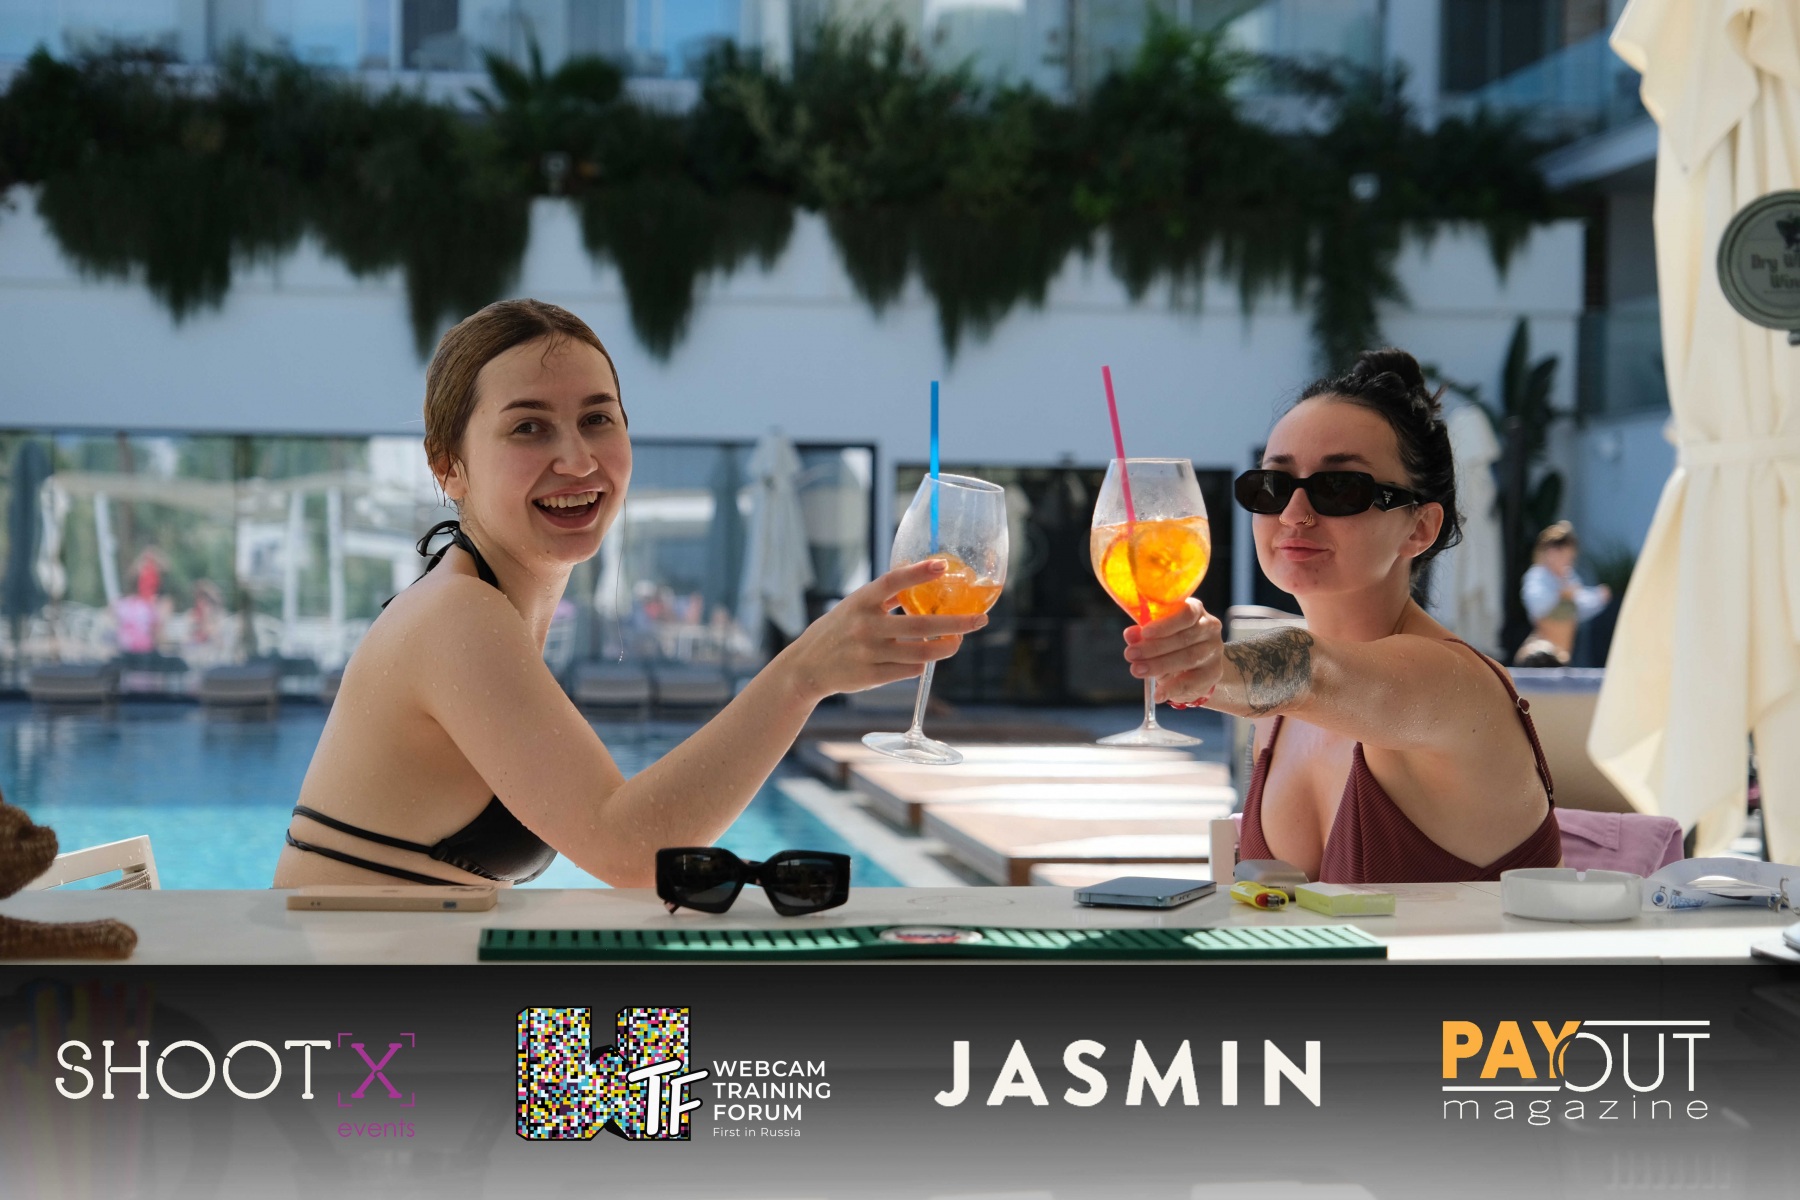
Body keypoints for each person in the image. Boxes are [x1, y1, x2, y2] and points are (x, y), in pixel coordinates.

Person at [273, 299, 984, 888]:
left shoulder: (478, 603)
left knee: (679, 1012)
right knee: (683, 1023)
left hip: (402, 984)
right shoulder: (456, 615)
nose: (577, 459)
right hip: (346, 1003)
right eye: (528, 427)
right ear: (448, 466)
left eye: (597, 418)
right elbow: (634, 853)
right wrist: (802, 674)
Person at [1127, 349, 1561, 883]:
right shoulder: (1275, 718)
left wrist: (1209, 665)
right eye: (1272, 485)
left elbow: (1312, 671)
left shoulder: (1459, 688)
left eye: (1339, 488)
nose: (1293, 514)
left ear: (1419, 529)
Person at [1516, 521, 1610, 666]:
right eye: (1561, 554)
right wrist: (1560, 594)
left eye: (1569, 557)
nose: (1566, 561)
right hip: (1541, 655)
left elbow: (1581, 603)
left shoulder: (1569, 577)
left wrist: (1599, 597)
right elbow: (1537, 606)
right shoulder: (1537, 576)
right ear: (1549, 553)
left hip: (1564, 655)